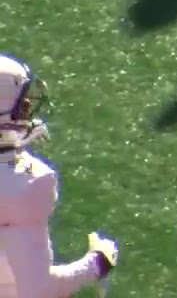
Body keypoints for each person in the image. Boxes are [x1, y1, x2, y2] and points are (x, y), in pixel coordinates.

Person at [0, 53, 119, 297]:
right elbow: (36, 291)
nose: (28, 108)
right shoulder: (29, 183)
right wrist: (95, 265)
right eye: (22, 103)